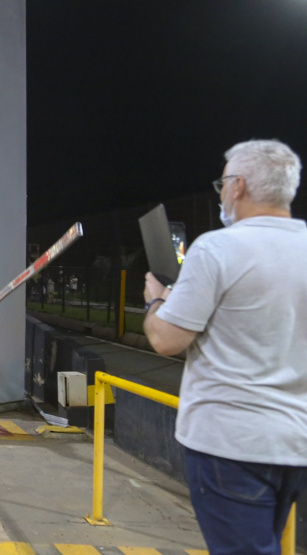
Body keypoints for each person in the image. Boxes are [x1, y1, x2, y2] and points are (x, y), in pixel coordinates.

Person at [142, 139, 307, 555]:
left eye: (222, 182)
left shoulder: (219, 248)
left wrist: (156, 301)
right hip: (296, 441)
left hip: (230, 444)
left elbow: (166, 339)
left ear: (237, 186)